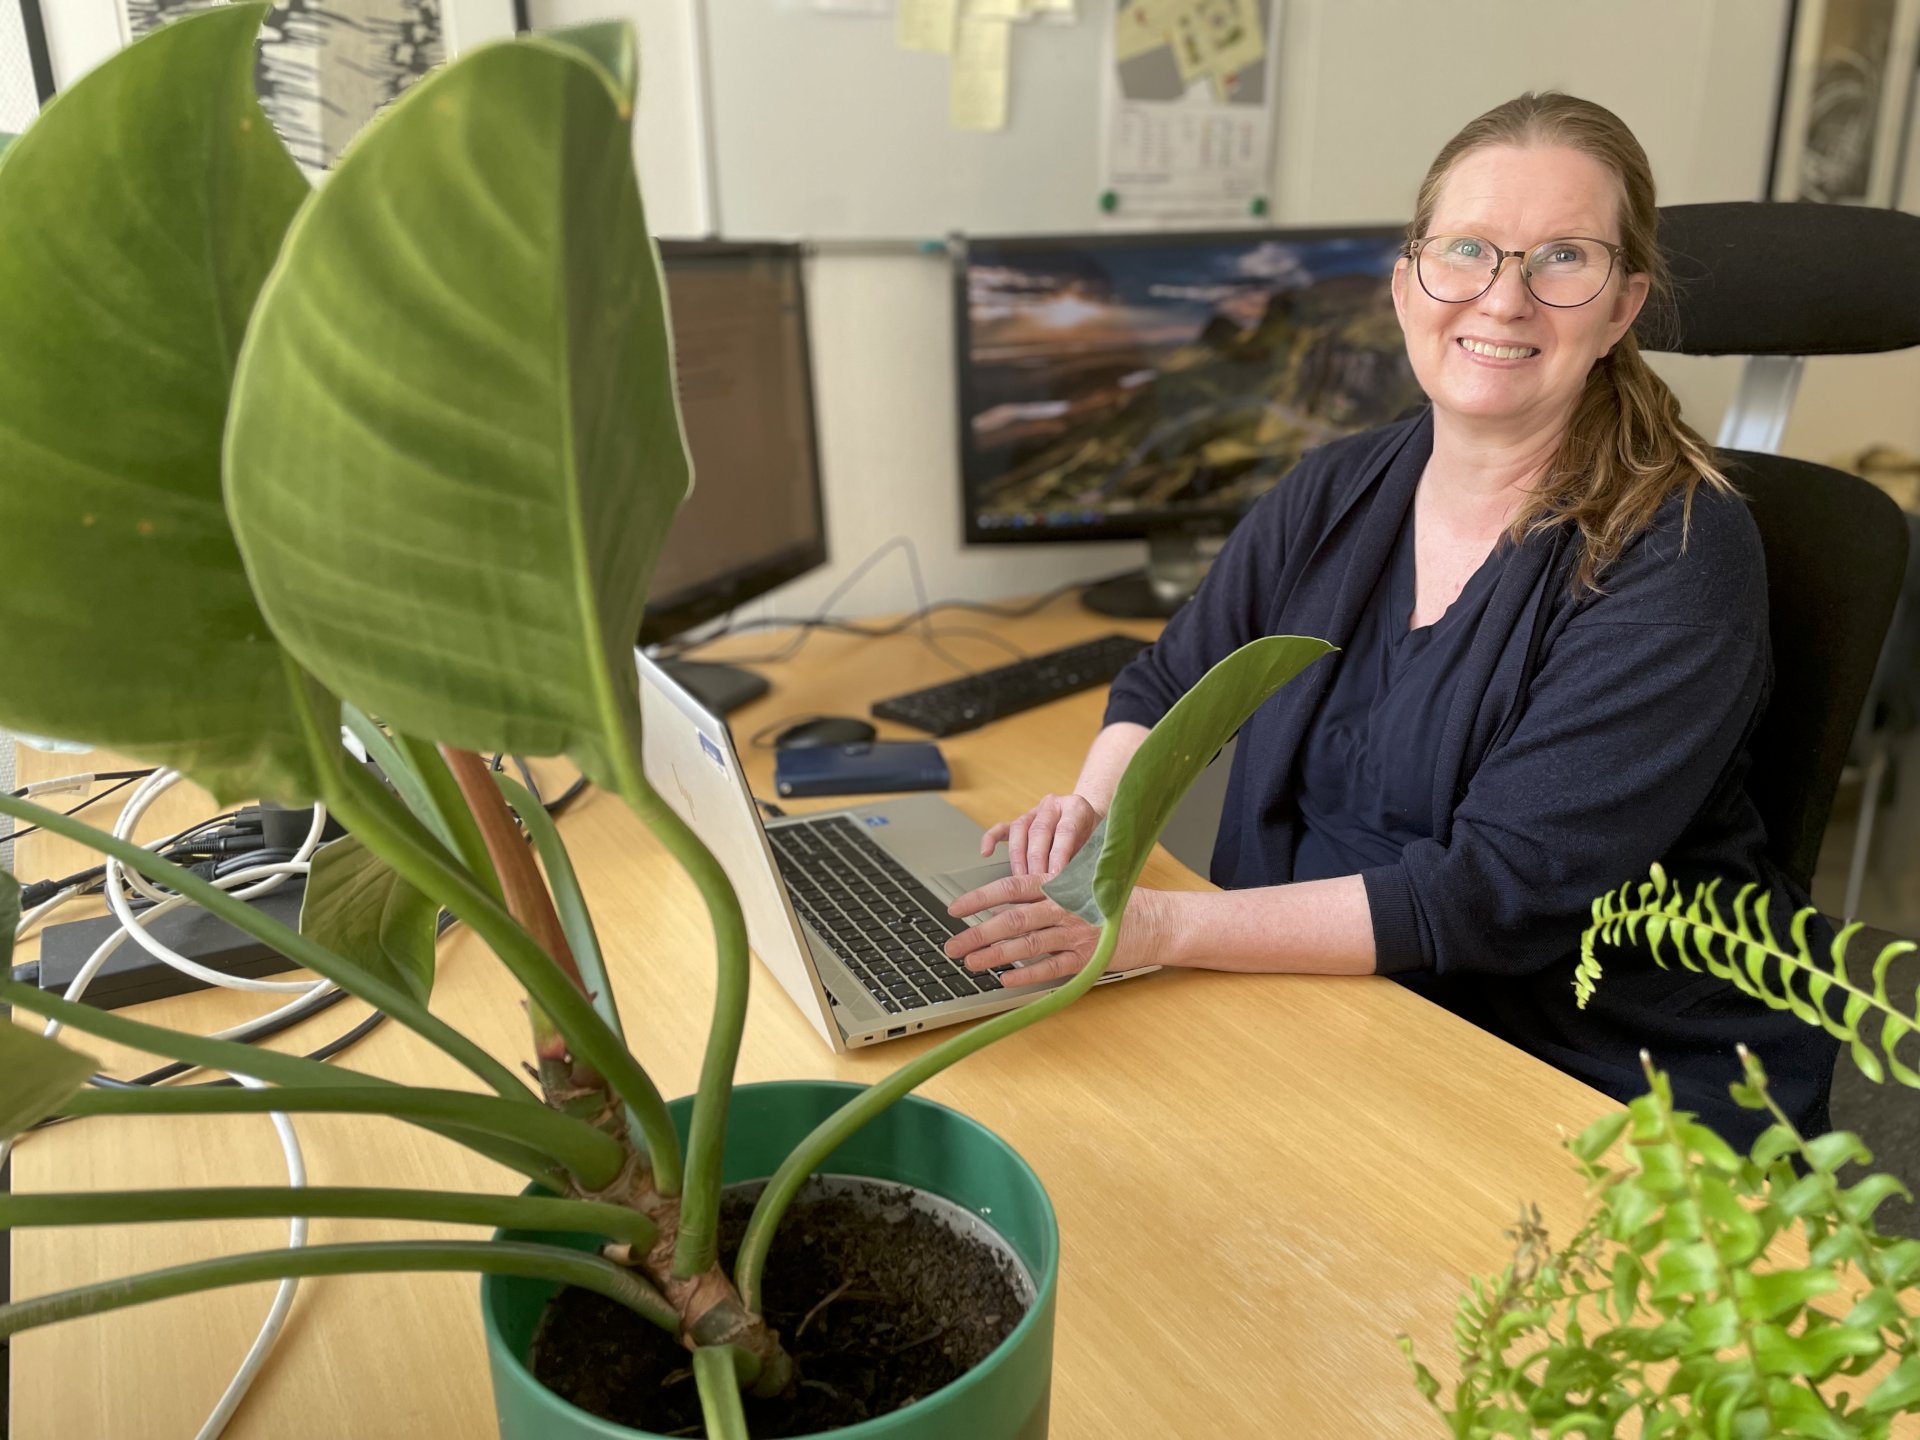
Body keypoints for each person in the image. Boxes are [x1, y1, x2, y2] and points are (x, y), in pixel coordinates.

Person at [943, 93, 1837, 1148]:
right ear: (1408, 278)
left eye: (1563, 259)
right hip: (1331, 1009)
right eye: (1467, 250)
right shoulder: (1336, 488)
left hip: (1584, 1080)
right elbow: (1167, 685)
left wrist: (1156, 928)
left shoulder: (1677, 555)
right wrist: (1085, 829)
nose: (1503, 300)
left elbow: (1489, 895)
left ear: (1623, 305)